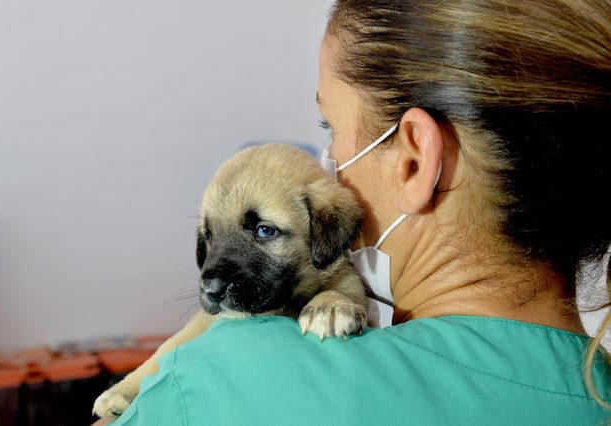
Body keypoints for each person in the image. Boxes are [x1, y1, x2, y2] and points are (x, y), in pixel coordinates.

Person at [106, 1, 611, 424]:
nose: (329, 167)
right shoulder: (597, 396)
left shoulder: (219, 381)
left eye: (328, 125)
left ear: (414, 160)